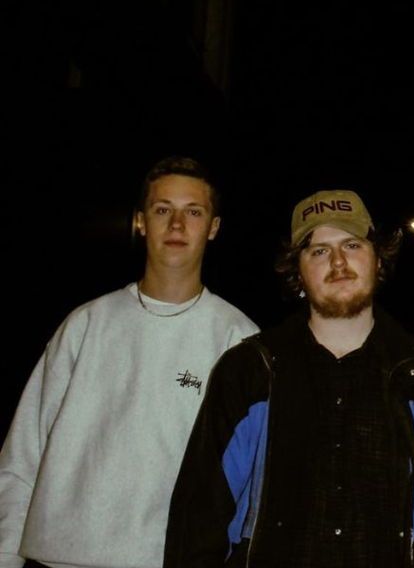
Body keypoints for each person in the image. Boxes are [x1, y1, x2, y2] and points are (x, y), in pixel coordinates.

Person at [165, 189, 414, 567]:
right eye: (319, 251)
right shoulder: (250, 372)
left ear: (378, 258)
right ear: (298, 271)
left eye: (352, 245)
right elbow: (200, 520)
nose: (338, 262)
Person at [0, 156, 258, 568]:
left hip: (172, 559)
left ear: (213, 227)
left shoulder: (239, 339)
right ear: (141, 221)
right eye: (162, 210)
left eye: (193, 212)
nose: (177, 225)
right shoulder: (86, 324)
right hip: (60, 559)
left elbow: (253, 482)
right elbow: (23, 455)